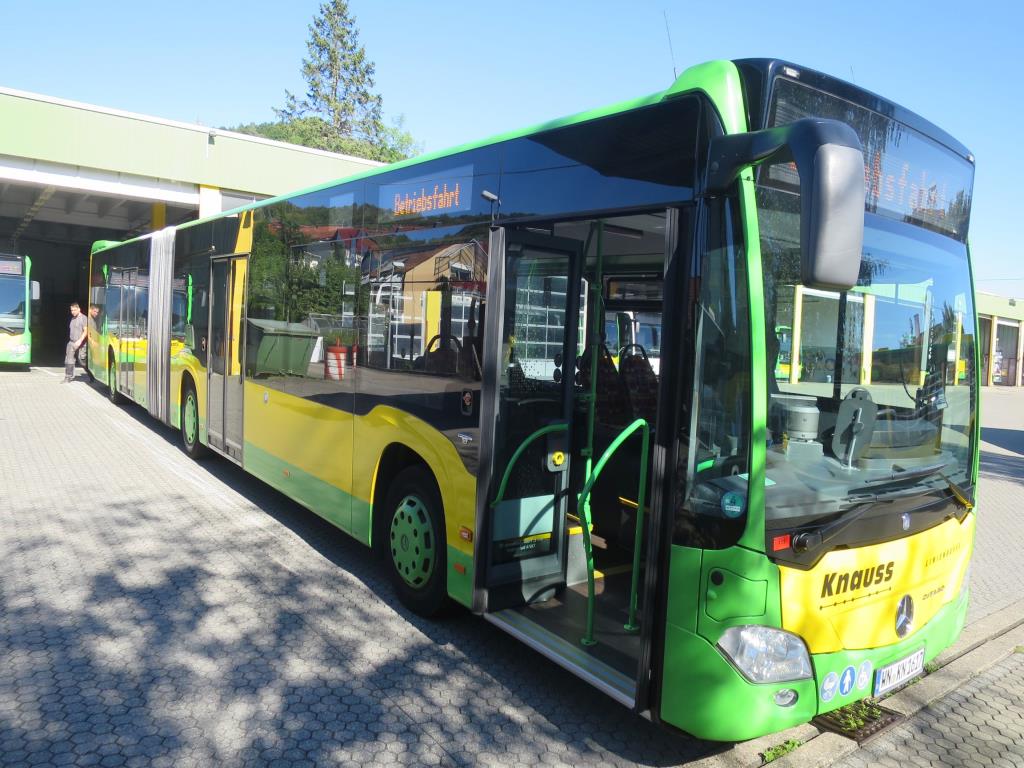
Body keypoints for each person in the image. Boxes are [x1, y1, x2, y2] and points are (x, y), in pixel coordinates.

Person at [64, 302, 88, 382]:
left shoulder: (83, 318)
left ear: (79, 309)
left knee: (82, 361)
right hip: (72, 342)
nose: (73, 312)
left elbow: (86, 331)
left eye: (74, 310)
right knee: (69, 360)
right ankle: (68, 377)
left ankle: (91, 374)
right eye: (71, 310)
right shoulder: (72, 318)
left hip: (81, 343)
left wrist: (80, 341)